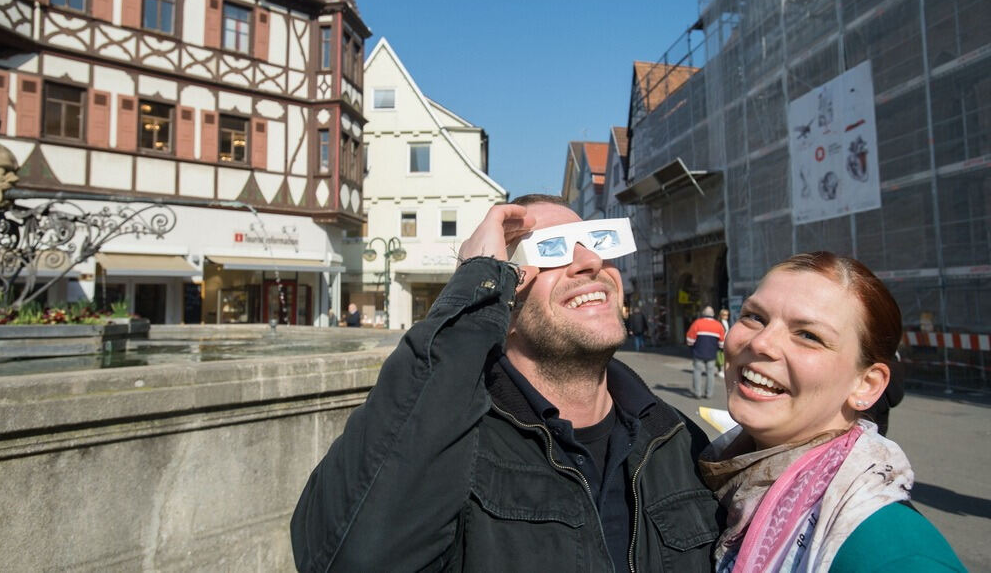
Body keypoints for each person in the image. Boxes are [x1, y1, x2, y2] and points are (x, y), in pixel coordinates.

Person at [291, 195, 721, 572]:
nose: (590, 262)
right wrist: (475, 285)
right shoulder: (457, 449)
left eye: (596, 243)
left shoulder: (677, 440)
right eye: (551, 251)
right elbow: (350, 555)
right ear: (504, 303)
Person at [699, 252, 963, 572]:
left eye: (809, 335)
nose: (761, 343)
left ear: (866, 384)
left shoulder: (891, 553)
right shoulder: (710, 468)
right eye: (755, 316)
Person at [686, 305, 724, 399]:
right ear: (713, 314)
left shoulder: (697, 323)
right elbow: (722, 344)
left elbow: (690, 340)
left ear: (703, 314)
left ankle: (697, 393)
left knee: (697, 372)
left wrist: (692, 347)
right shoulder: (718, 325)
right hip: (712, 354)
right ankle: (708, 394)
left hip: (698, 352)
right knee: (710, 373)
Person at [717, 308, 731, 378]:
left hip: (726, 341)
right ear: (721, 315)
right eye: (725, 315)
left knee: (725, 357)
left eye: (727, 315)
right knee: (720, 357)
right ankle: (720, 370)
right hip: (721, 342)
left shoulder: (727, 322)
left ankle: (724, 370)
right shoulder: (719, 322)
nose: (726, 316)